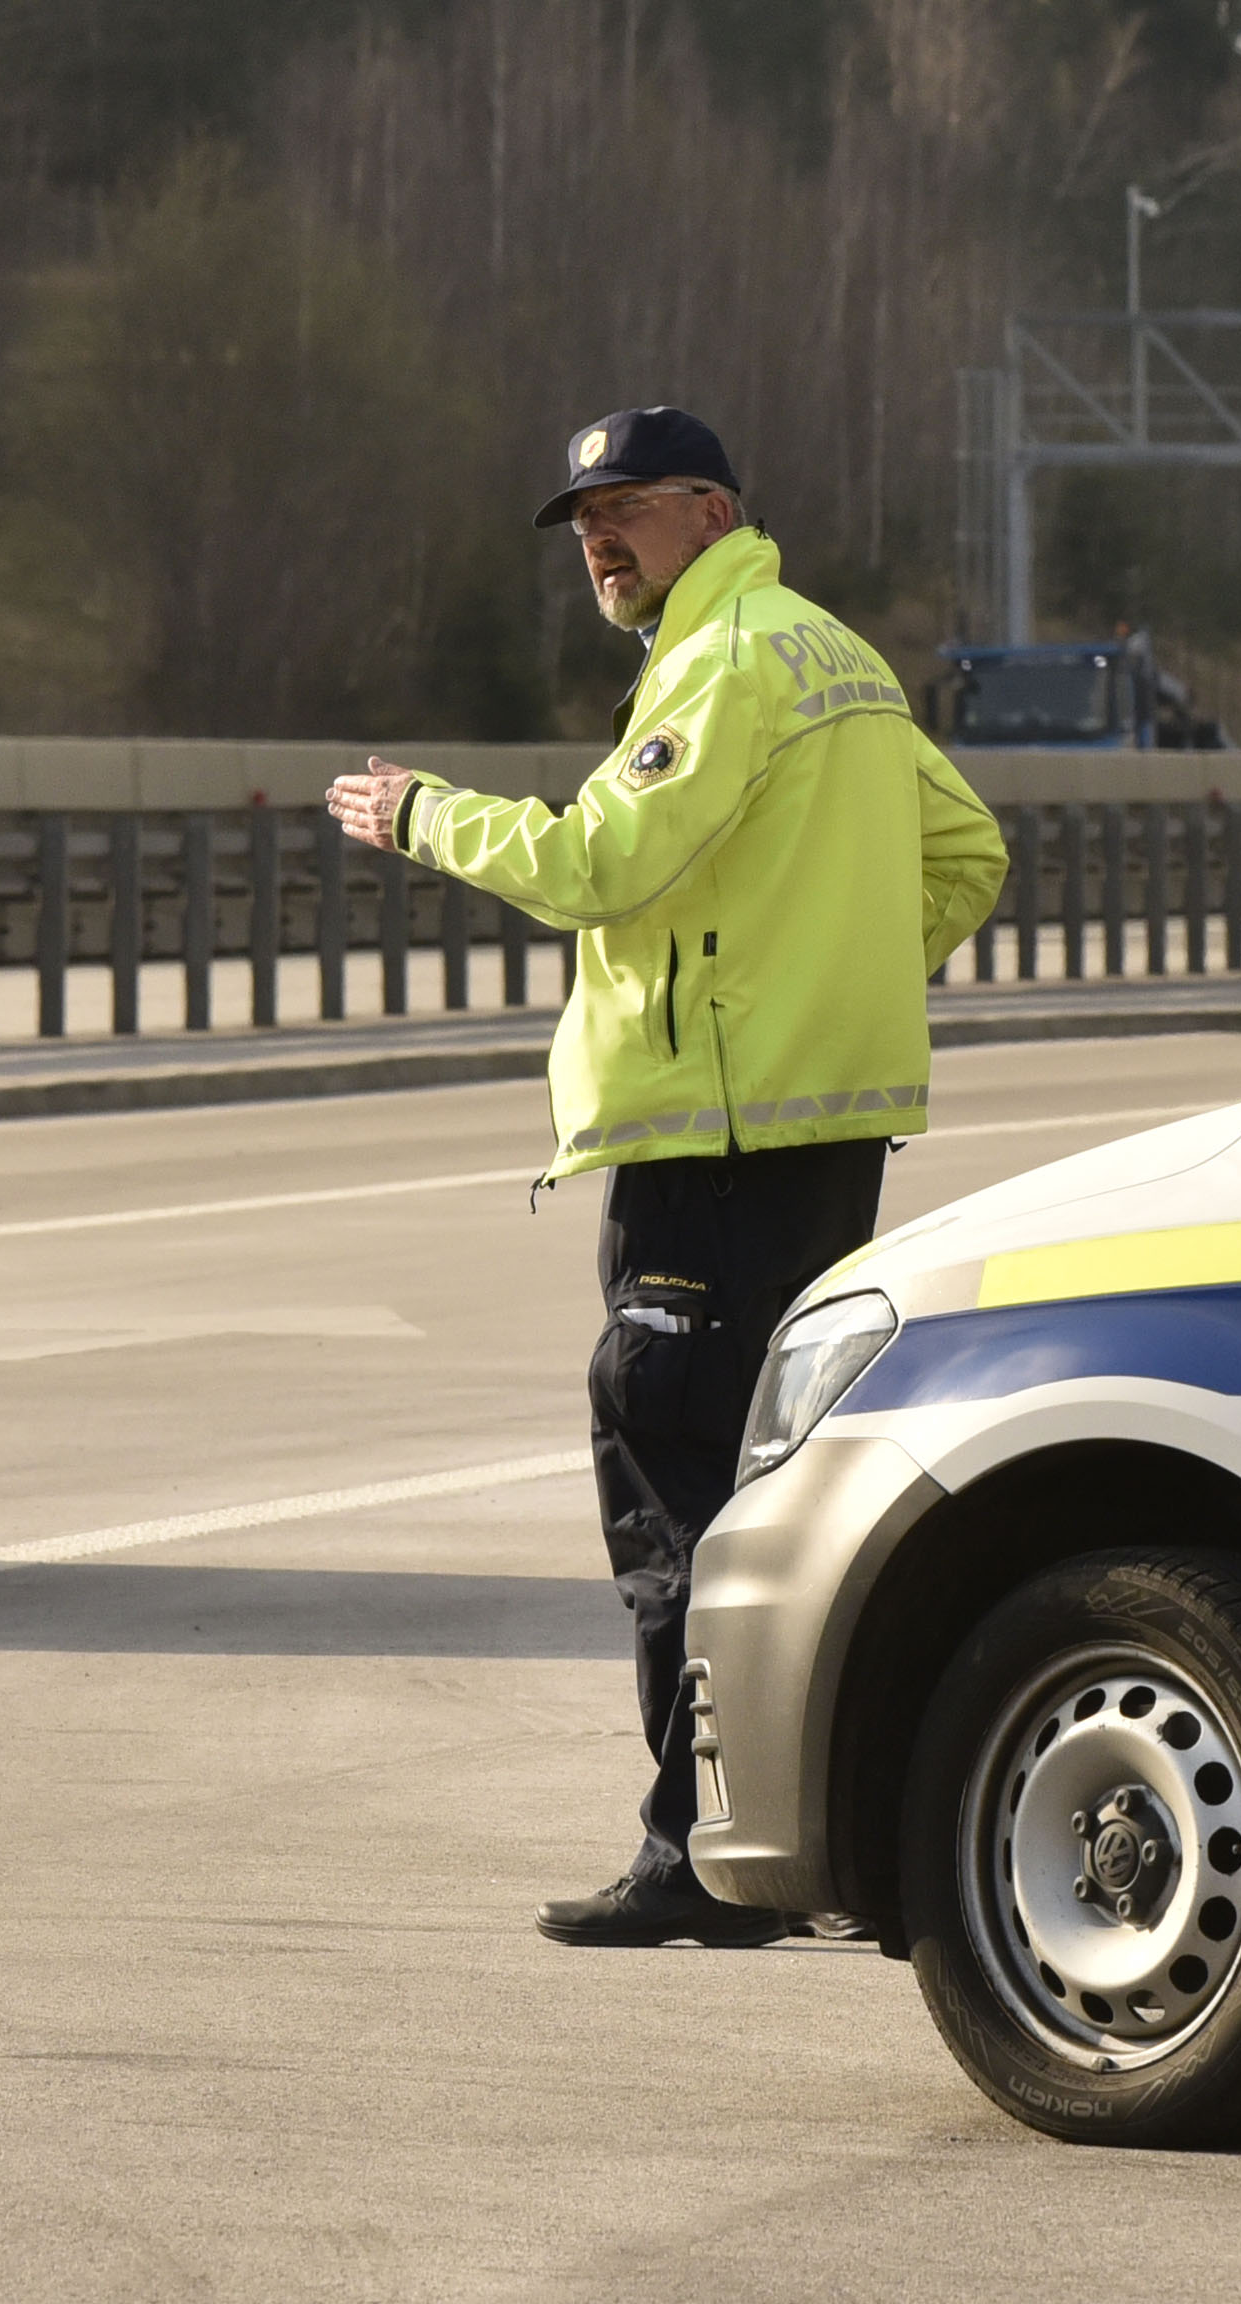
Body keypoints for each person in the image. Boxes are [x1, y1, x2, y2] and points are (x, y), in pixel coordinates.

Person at [325, 405, 1003, 1947]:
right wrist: (827, 983)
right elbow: (969, 858)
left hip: (710, 1152)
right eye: (579, 520)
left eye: (624, 508)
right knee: (796, 1491)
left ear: (712, 508)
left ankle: (698, 1858)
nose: (597, 540)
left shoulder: (725, 662)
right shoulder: (839, 655)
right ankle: (828, 1843)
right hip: (821, 1148)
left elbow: (594, 866)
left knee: (678, 1505)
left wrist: (417, 812)